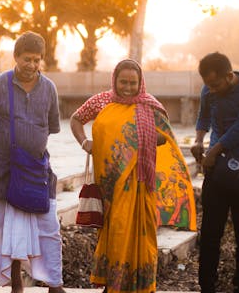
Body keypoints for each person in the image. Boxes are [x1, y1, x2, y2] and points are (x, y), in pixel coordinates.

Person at [70, 59, 196, 293]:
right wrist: (85, 142)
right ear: (114, 81)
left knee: (141, 233)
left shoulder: (150, 106)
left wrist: (133, 139)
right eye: (123, 82)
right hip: (109, 184)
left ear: (141, 83)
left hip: (139, 183)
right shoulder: (102, 101)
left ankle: (140, 285)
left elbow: (164, 137)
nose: (127, 87)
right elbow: (76, 119)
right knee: (114, 229)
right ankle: (113, 284)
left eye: (133, 83)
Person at [0, 31, 66, 293]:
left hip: (36, 171)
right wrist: (4, 144)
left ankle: (54, 283)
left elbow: (51, 127)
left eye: (37, 60)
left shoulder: (49, 88)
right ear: (15, 57)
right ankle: (14, 283)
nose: (33, 65)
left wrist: (29, 148)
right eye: (27, 59)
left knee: (49, 228)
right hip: (1, 168)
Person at [190, 52, 239, 293]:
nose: (211, 90)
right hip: (217, 174)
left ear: (229, 75)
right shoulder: (209, 90)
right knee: (211, 233)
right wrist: (200, 140)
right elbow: (203, 117)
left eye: (215, 85)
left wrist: (214, 152)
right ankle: (207, 285)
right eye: (207, 85)